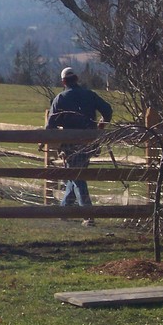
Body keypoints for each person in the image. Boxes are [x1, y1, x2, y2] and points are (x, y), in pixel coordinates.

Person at [46, 67, 112, 224]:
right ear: (76, 79)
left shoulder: (60, 98)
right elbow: (108, 110)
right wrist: (101, 126)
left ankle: (88, 215)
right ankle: (64, 212)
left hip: (70, 145)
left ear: (63, 81)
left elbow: (50, 125)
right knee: (75, 176)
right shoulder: (90, 95)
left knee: (76, 176)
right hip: (90, 143)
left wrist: (52, 140)